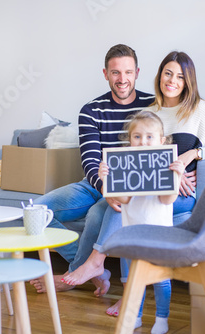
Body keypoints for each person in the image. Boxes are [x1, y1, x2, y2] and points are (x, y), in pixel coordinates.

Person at [62, 50, 205, 316]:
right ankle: (129, 292)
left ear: (188, 81)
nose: (172, 80)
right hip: (145, 190)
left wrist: (192, 155)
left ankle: (98, 264)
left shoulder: (199, 109)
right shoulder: (148, 111)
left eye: (180, 76)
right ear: (159, 75)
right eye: (168, 73)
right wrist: (111, 177)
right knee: (111, 208)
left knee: (124, 211)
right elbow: (134, 155)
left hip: (179, 191)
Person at [29, 44, 154, 294]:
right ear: (105, 73)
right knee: (34, 212)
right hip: (94, 184)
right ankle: (92, 268)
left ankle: (74, 274)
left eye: (128, 72)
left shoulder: (152, 106)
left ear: (137, 72)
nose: (122, 79)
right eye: (116, 72)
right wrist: (105, 188)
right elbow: (90, 160)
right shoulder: (90, 110)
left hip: (129, 187)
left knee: (98, 214)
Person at [100, 110, 185, 333]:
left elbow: (167, 199)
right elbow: (124, 198)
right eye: (137, 136)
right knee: (135, 279)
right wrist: (107, 179)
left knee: (161, 279)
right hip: (133, 234)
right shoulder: (125, 165)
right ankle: (136, 316)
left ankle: (161, 319)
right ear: (129, 141)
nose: (143, 141)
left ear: (161, 141)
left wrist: (177, 175)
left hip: (159, 234)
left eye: (149, 137)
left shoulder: (166, 166)